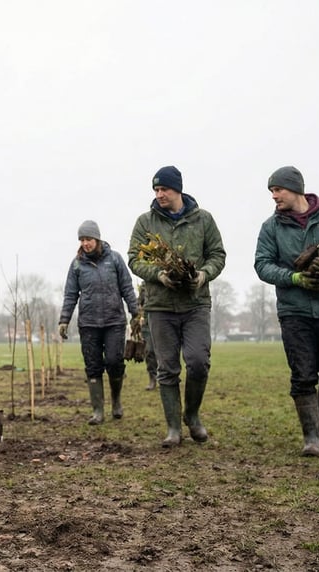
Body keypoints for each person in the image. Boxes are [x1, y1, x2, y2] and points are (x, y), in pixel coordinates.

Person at [254, 166, 319, 457]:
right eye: (271, 191)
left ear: (296, 189)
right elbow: (262, 264)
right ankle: (311, 436)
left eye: (278, 189)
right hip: (294, 311)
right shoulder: (271, 227)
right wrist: (293, 277)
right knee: (302, 376)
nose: (274, 195)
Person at [128, 166, 226, 447]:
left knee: (198, 362)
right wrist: (158, 275)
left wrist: (203, 275)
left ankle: (192, 416)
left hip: (196, 304)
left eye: (165, 190)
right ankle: (173, 428)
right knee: (167, 368)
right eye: (156, 190)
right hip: (160, 306)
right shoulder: (145, 223)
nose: (160, 195)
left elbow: (217, 254)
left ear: (178, 190)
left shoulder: (203, 220)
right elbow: (134, 258)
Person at [57, 220, 140, 424]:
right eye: (82, 240)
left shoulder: (115, 259)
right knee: (93, 366)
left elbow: (127, 288)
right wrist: (64, 320)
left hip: (114, 321)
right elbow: (70, 294)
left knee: (114, 361)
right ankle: (98, 410)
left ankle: (117, 401)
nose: (85, 243)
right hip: (88, 323)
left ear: (97, 239)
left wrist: (135, 312)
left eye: (89, 239)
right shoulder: (77, 264)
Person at [137, 282, 159, 391]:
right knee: (149, 351)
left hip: (162, 321)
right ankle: (152, 379)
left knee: (164, 352)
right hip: (147, 323)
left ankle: (167, 378)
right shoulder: (144, 286)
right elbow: (139, 303)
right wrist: (138, 317)